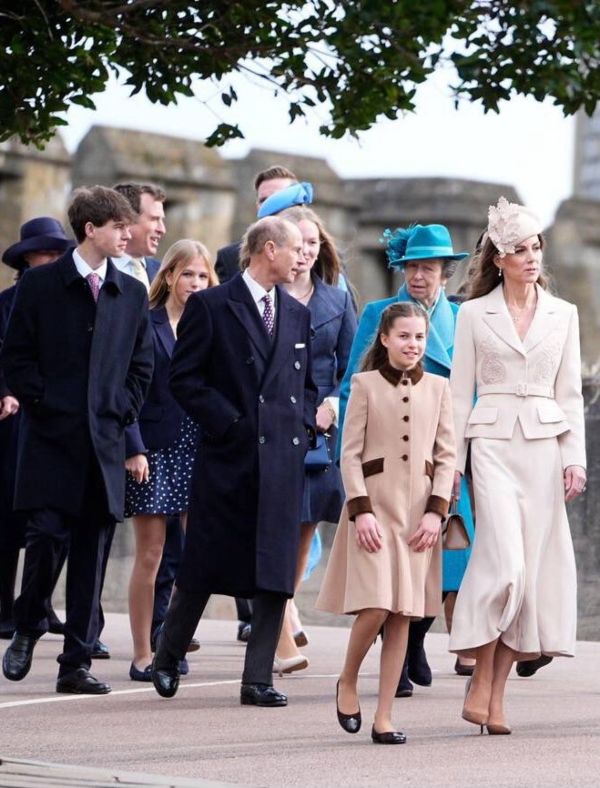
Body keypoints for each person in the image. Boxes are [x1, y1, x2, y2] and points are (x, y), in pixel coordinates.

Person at [152, 216, 317, 707]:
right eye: (295, 249)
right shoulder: (211, 305)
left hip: (282, 462)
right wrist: (229, 423)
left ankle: (257, 679)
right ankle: (167, 656)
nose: (302, 257)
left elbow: (307, 384)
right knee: (203, 565)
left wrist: (304, 425)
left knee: (275, 574)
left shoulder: (296, 313)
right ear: (269, 249)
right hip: (228, 459)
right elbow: (184, 380)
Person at [0, 186, 153, 694]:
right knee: (46, 537)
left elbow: (142, 363)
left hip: (104, 442)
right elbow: (15, 355)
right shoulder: (40, 284)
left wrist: (121, 409)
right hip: (49, 439)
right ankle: (28, 623)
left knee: (93, 549)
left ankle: (76, 663)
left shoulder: (131, 292)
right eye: (118, 227)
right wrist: (44, 403)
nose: (128, 234)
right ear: (91, 229)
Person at [449, 196, 586, 734]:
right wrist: (451, 464)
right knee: (503, 567)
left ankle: (495, 692)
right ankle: (480, 677)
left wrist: (575, 459)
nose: (532, 258)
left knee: (529, 577)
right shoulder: (472, 314)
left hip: (545, 450)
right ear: (498, 258)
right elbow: (458, 395)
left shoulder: (564, 314)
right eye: (520, 250)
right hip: (491, 445)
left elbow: (570, 393)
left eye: (536, 248)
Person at [338, 223, 474, 696]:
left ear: (445, 273)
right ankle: (395, 657)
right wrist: (349, 454)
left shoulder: (463, 318)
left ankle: (414, 640)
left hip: (445, 454)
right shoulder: (380, 314)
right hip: (387, 459)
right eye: (412, 267)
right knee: (388, 567)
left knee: (446, 559)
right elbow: (352, 382)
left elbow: (470, 387)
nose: (418, 276)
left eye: (428, 268)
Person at [316, 302, 455, 744]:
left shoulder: (439, 388)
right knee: (376, 606)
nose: (412, 344)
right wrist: (360, 511)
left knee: (402, 616)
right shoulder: (364, 385)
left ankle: (385, 717)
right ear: (385, 338)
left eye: (419, 337)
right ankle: (348, 678)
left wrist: (435, 512)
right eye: (404, 336)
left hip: (418, 518)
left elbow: (447, 457)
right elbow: (349, 455)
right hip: (374, 511)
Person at [125, 240, 218, 681]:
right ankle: (142, 653)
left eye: (203, 276)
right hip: (154, 449)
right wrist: (133, 446)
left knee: (194, 556)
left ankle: (172, 643)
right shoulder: (146, 322)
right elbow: (126, 387)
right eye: (187, 274)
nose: (195, 283)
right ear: (168, 276)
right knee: (151, 554)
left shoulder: (214, 324)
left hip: (200, 447)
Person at [273, 205, 357, 674]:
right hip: (269, 429)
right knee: (273, 530)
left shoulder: (338, 302)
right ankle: (279, 630)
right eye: (297, 242)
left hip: (319, 435)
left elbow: (353, 367)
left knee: (304, 531)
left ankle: (283, 607)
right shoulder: (262, 295)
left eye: (312, 243)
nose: (305, 251)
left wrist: (334, 405)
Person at [0, 218, 73, 639]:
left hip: (56, 420)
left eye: (58, 253)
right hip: (11, 426)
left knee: (56, 520)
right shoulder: (6, 303)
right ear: (28, 257)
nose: (53, 259)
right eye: (46, 252)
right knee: (9, 520)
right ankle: (4, 607)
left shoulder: (68, 301)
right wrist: (7, 392)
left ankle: (39, 602)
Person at [215, 165, 298, 283]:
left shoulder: (318, 257)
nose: (269, 206)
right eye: (263, 200)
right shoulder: (230, 259)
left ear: (298, 204)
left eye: (277, 199)